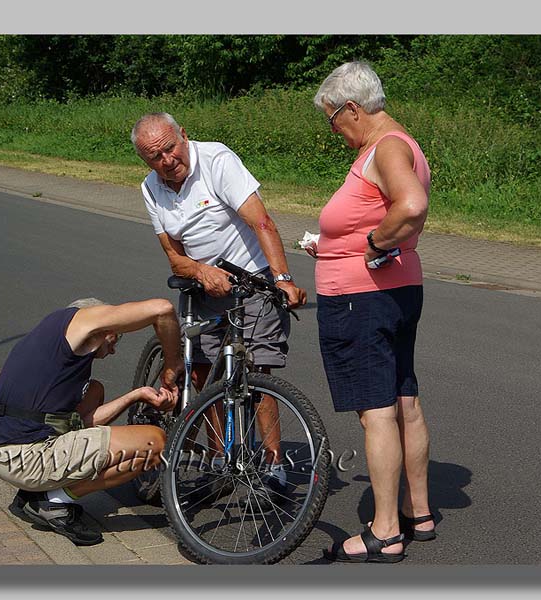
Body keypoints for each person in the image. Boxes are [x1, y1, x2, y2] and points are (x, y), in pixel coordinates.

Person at [130, 112, 307, 502]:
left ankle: (275, 464)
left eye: (170, 148)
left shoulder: (217, 161)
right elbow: (174, 257)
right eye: (154, 156)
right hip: (202, 287)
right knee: (204, 372)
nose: (166, 161)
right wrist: (200, 270)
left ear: (184, 137)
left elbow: (262, 222)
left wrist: (282, 278)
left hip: (252, 279)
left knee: (258, 372)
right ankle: (218, 460)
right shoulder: (151, 188)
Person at [306, 61, 435, 563]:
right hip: (396, 289)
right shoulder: (402, 144)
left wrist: (371, 244)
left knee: (376, 411)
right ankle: (416, 510)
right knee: (405, 399)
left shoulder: (387, 148)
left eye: (333, 119)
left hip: (363, 298)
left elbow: (410, 205)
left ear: (352, 109)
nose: (334, 130)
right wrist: (343, 243)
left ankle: (385, 531)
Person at [0, 297, 182, 546]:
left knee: (94, 390)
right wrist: (172, 365)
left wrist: (135, 395)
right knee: (155, 443)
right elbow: (163, 309)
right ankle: (52, 501)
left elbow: (83, 423)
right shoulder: (81, 322)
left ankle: (39, 490)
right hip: (25, 456)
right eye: (115, 337)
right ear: (102, 327)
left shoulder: (51, 340)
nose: (114, 349)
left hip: (3, 451)